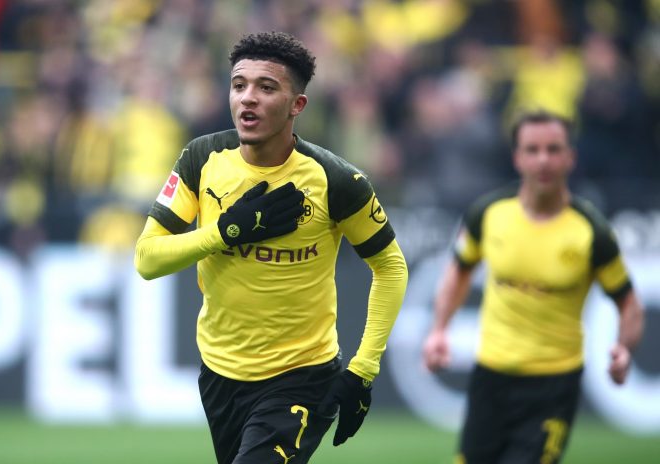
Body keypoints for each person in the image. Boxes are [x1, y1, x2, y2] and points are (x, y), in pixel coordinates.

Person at [134, 31, 408, 464]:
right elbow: (147, 259)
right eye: (239, 85)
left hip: (302, 376)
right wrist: (224, 232)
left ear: (297, 105)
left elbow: (390, 266)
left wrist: (364, 368)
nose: (248, 99)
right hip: (220, 373)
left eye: (267, 87)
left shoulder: (337, 181)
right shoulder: (201, 158)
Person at [422, 109, 645, 464]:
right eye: (533, 149)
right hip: (491, 379)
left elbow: (629, 303)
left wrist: (624, 347)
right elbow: (459, 271)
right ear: (517, 157)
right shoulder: (489, 213)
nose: (544, 160)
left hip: (553, 384)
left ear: (570, 157)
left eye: (554, 149)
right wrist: (439, 329)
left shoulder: (592, 231)